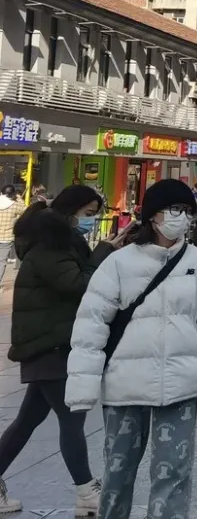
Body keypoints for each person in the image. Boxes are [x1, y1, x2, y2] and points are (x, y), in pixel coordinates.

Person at [67, 180, 197, 519]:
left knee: (174, 471)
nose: (182, 217)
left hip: (180, 384)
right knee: (118, 470)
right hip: (125, 384)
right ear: (152, 215)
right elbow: (91, 325)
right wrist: (81, 386)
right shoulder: (119, 264)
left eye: (188, 211)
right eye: (175, 209)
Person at [0, 186, 111, 515]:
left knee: (28, 420)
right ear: (71, 210)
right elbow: (78, 284)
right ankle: (87, 492)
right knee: (71, 416)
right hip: (50, 343)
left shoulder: (58, 240)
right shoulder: (51, 244)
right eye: (88, 214)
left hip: (50, 340)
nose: (91, 221)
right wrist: (103, 252)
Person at [0, 185, 25, 281]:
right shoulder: (15, 205)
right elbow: (25, 210)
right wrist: (19, 198)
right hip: (6, 238)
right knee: (1, 261)